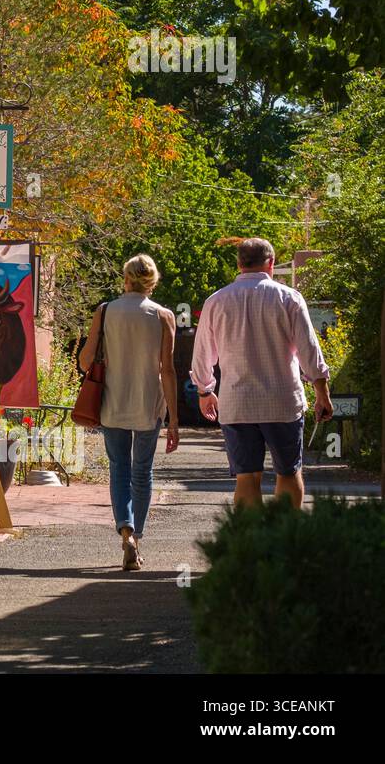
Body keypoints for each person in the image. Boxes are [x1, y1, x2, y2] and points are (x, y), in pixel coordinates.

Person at [190, 237, 333, 508]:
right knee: (289, 473)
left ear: (239, 263)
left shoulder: (216, 301)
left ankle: (251, 545)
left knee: (246, 478)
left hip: (237, 404)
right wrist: (321, 392)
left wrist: (205, 390)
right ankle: (283, 541)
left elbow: (202, 355)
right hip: (282, 403)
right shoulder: (289, 298)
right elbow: (309, 350)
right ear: (271, 262)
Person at [79, 254, 179, 571]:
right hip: (150, 404)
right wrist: (174, 419)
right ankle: (138, 534)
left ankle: (126, 530)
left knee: (119, 468)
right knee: (142, 472)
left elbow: (84, 362)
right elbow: (168, 371)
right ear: (152, 281)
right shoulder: (163, 316)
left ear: (126, 278)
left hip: (113, 403)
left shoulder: (105, 311)